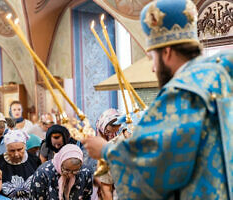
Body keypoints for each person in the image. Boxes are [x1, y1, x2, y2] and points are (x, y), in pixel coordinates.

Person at [82, 0, 233, 199]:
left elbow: (158, 166)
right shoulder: (220, 75)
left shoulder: (180, 93)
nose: (153, 68)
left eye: (152, 57)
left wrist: (106, 150)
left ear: (166, 52)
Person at [0, 130, 41, 200]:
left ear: (25, 147)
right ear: (6, 149)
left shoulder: (34, 160)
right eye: (12, 150)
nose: (16, 154)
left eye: (20, 149)